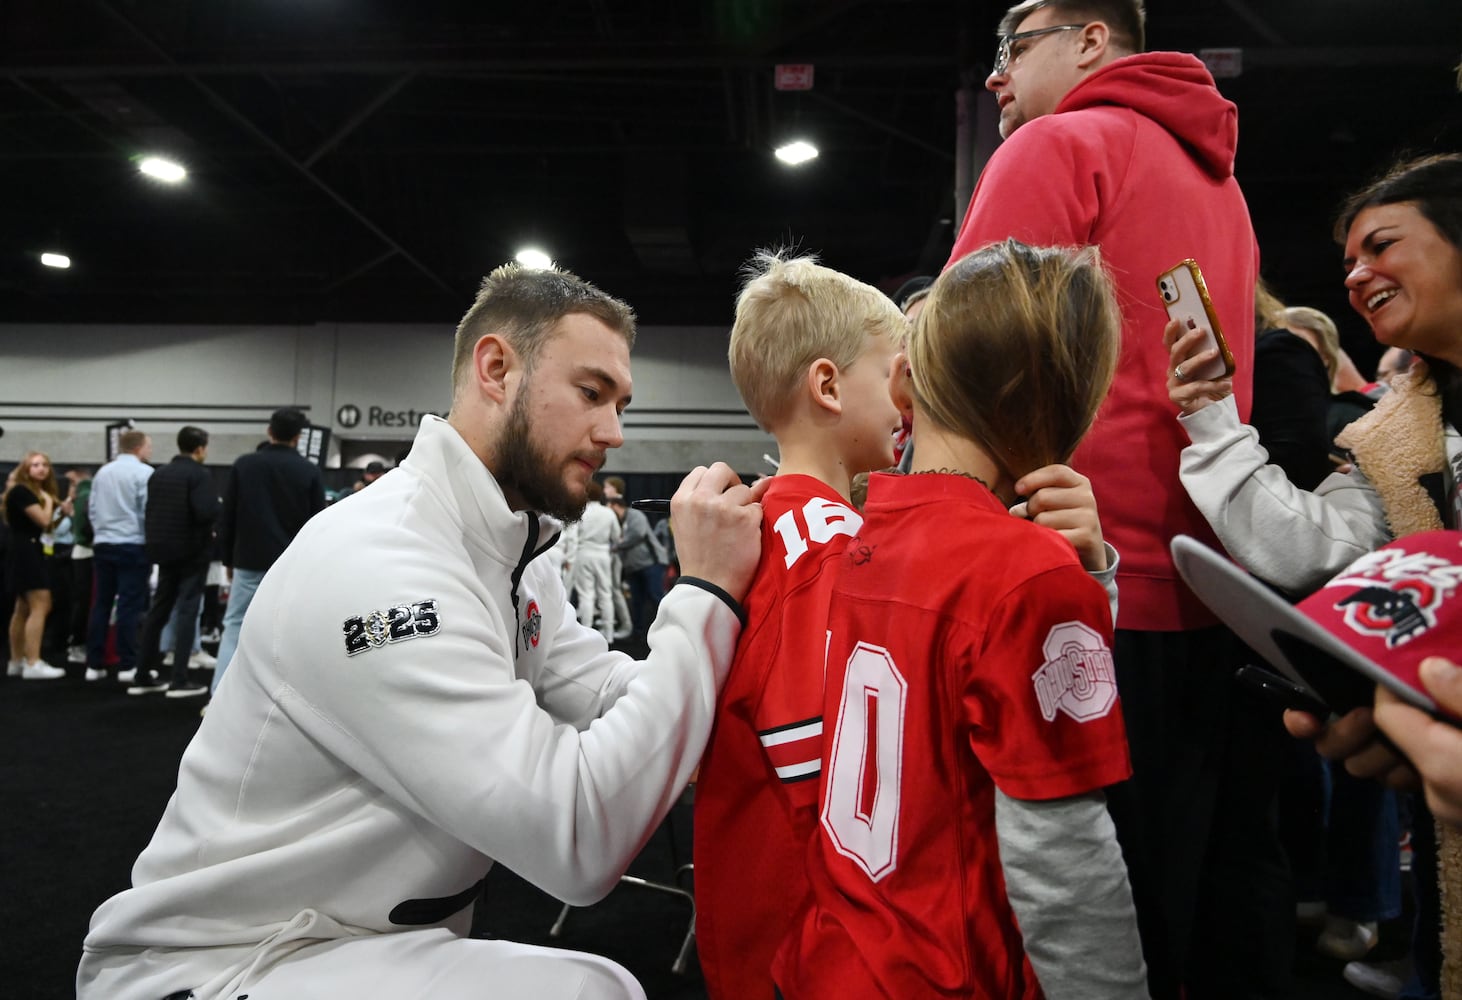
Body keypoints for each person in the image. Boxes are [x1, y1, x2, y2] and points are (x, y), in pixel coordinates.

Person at [77, 263, 769, 1000]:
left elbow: (597, 685)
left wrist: (757, 708)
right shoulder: (384, 562)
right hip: (219, 966)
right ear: (496, 368)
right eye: (592, 393)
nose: (615, 432)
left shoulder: (510, 547)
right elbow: (579, 839)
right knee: (589, 993)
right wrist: (704, 594)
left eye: (621, 403)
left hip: (354, 944)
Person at [949, 3, 1267, 993]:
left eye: (1012, 48)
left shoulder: (1061, 142)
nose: (995, 77)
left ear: (1091, 41)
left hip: (1071, 590)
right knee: (1168, 912)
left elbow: (970, 361)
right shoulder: (1226, 190)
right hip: (1206, 594)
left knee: (1053, 915)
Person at [774, 239, 1144, 999]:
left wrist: (1079, 582)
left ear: (908, 382)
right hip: (949, 975)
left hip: (835, 954)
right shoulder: (1026, 575)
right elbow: (1067, 871)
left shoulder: (859, 537)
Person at [1166, 150, 1462, 1000]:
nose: (1358, 275)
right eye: (1348, 262)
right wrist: (1210, 414)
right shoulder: (1388, 442)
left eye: (1381, 246)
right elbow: (1313, 549)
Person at [695, 251, 910, 1000]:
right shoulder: (828, 544)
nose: (908, 399)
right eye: (896, 373)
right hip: (809, 939)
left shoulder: (760, 527)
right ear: (827, 385)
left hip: (762, 915)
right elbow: (830, 779)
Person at [211, 407, 326, 695]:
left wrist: (227, 558)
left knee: (235, 625)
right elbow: (318, 524)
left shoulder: (245, 465)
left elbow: (229, 516)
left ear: (269, 431)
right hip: (291, 565)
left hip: (248, 560)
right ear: (299, 437)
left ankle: (218, 697)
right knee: (288, 633)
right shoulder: (309, 471)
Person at [130, 426, 217, 698]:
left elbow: (151, 511)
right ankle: (179, 679)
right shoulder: (199, 474)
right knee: (187, 612)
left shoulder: (159, 473)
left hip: (162, 550)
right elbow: (204, 512)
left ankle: (142, 675)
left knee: (159, 611)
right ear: (200, 448)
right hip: (191, 552)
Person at [86, 430, 154, 684]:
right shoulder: (144, 473)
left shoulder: (103, 472)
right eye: (148, 446)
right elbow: (147, 511)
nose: (150, 450)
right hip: (132, 544)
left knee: (101, 604)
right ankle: (128, 664)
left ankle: (94, 664)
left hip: (104, 543)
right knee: (129, 605)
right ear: (138, 447)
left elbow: (92, 509)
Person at [4, 450, 66, 680]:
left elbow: (46, 527)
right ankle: (33, 662)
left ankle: (17, 661)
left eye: (45, 465)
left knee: (22, 607)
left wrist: (59, 512)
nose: (41, 469)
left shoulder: (31, 493)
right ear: (26, 469)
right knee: (41, 604)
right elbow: (43, 521)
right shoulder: (22, 491)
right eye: (35, 465)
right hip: (26, 551)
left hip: (28, 548)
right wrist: (50, 502)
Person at [608, 492, 667, 636]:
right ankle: (638, 631)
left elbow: (638, 533)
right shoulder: (619, 522)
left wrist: (618, 546)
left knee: (656, 596)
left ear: (616, 506)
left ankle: (667, 629)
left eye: (609, 507)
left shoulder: (635, 515)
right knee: (637, 601)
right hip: (634, 568)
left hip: (650, 564)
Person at [569, 478, 620, 639]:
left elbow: (573, 536)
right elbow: (617, 536)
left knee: (586, 595)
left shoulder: (581, 511)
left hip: (584, 553)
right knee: (606, 593)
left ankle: (585, 634)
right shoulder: (609, 512)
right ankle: (609, 634)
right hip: (603, 555)